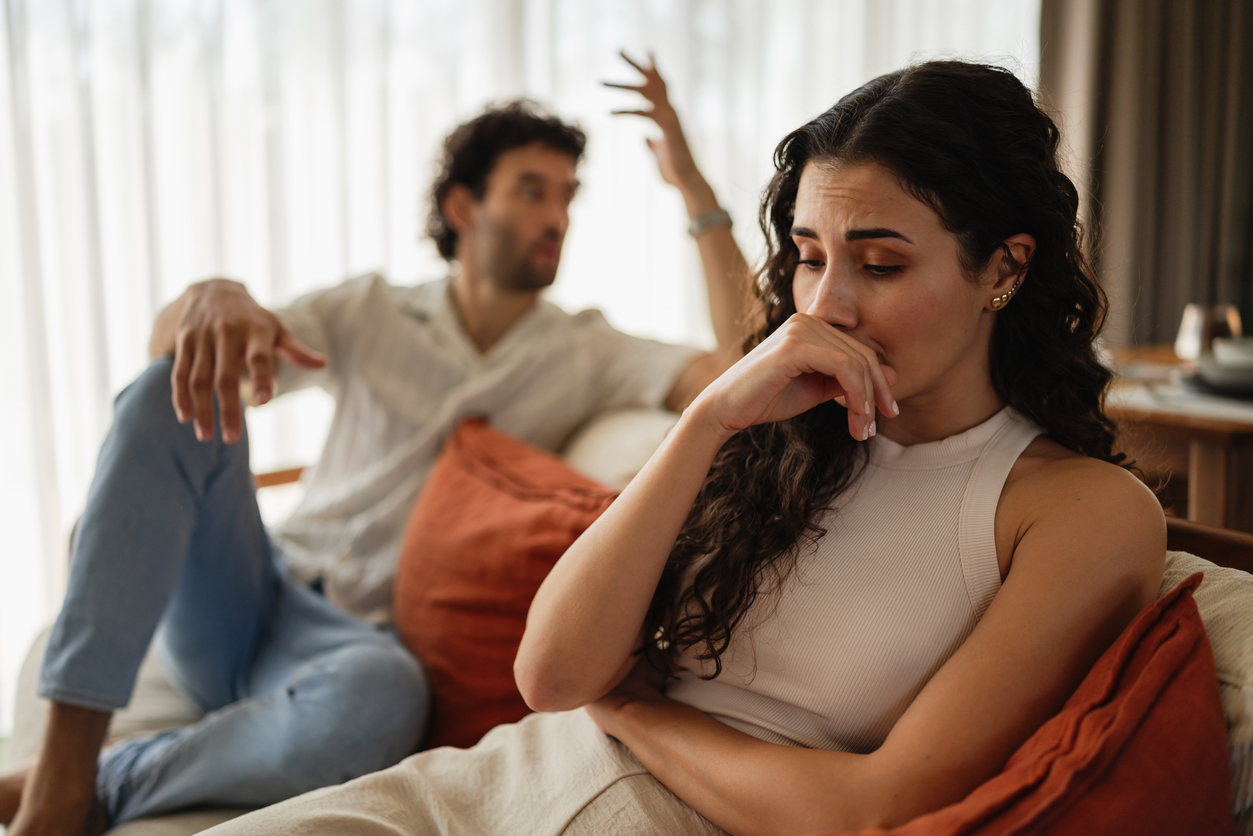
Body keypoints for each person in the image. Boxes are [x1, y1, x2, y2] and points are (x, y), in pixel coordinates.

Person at [197, 60, 1167, 836]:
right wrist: (709, 419)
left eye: (878, 263)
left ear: (1003, 266)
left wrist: (633, 711)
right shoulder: (778, 437)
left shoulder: (1074, 508)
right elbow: (550, 672)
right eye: (807, 257)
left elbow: (871, 809)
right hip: (473, 783)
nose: (824, 305)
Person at [0, 56, 750, 836]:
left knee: (387, 696)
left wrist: (693, 189)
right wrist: (210, 299)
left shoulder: (588, 350)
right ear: (463, 206)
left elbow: (737, 365)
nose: (557, 215)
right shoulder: (368, 311)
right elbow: (188, 356)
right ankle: (59, 772)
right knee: (169, 388)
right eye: (532, 190)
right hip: (249, 582)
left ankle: (95, 780)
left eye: (567, 196)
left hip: (346, 651)